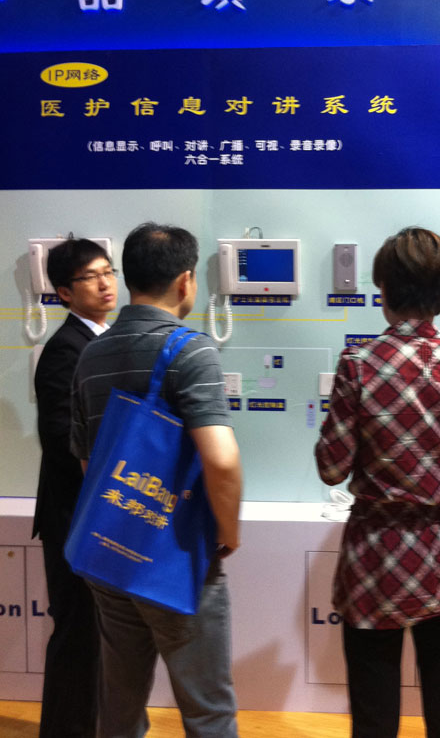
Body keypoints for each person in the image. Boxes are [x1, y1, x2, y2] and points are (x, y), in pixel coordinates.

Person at [315, 227, 440, 738]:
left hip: (378, 555)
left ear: (385, 289)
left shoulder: (358, 366)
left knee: (374, 709)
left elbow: (331, 468)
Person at [71, 223, 242, 738]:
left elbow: (90, 465)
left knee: (120, 709)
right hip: (178, 557)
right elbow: (222, 461)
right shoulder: (191, 350)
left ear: (128, 278)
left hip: (109, 551)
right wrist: (228, 530)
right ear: (186, 280)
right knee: (207, 711)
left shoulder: (91, 355)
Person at [32, 238, 118, 738]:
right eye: (91, 276)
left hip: (97, 514)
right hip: (74, 517)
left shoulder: (102, 340)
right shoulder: (66, 349)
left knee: (96, 636)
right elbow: (61, 437)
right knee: (77, 635)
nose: (105, 284)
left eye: (108, 271)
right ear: (65, 292)